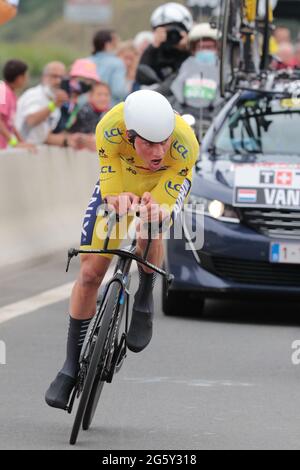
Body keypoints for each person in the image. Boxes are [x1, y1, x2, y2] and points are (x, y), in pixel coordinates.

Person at [45, 90, 199, 410]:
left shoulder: (184, 144)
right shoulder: (109, 128)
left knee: (151, 226)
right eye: (149, 143)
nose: (158, 151)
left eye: (163, 142)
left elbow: (170, 189)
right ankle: (70, 366)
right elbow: (110, 175)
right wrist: (116, 197)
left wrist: (158, 210)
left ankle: (144, 292)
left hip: (163, 183)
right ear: (130, 136)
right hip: (122, 178)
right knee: (90, 272)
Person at [15, 61, 77, 148]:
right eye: (54, 76)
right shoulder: (35, 95)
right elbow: (31, 120)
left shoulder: (53, 100)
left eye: (61, 77)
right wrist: (54, 105)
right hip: (19, 151)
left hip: (34, 151)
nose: (58, 81)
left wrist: (69, 140)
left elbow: (44, 135)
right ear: (44, 77)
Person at [136, 2, 193, 86]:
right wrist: (153, 46)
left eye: (175, 30)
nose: (171, 35)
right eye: (165, 32)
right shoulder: (155, 52)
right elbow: (142, 77)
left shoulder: (191, 51)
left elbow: (199, 70)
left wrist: (188, 48)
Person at [0, 60, 34, 151]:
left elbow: (9, 123)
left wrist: (21, 142)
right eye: (25, 76)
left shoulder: (11, 94)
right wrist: (14, 143)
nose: (26, 80)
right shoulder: (3, 91)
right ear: (19, 78)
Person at [90, 30, 129, 106]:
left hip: (86, 108)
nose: (118, 46)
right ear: (107, 45)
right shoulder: (117, 63)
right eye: (116, 43)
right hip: (108, 109)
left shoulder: (86, 61)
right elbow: (119, 91)